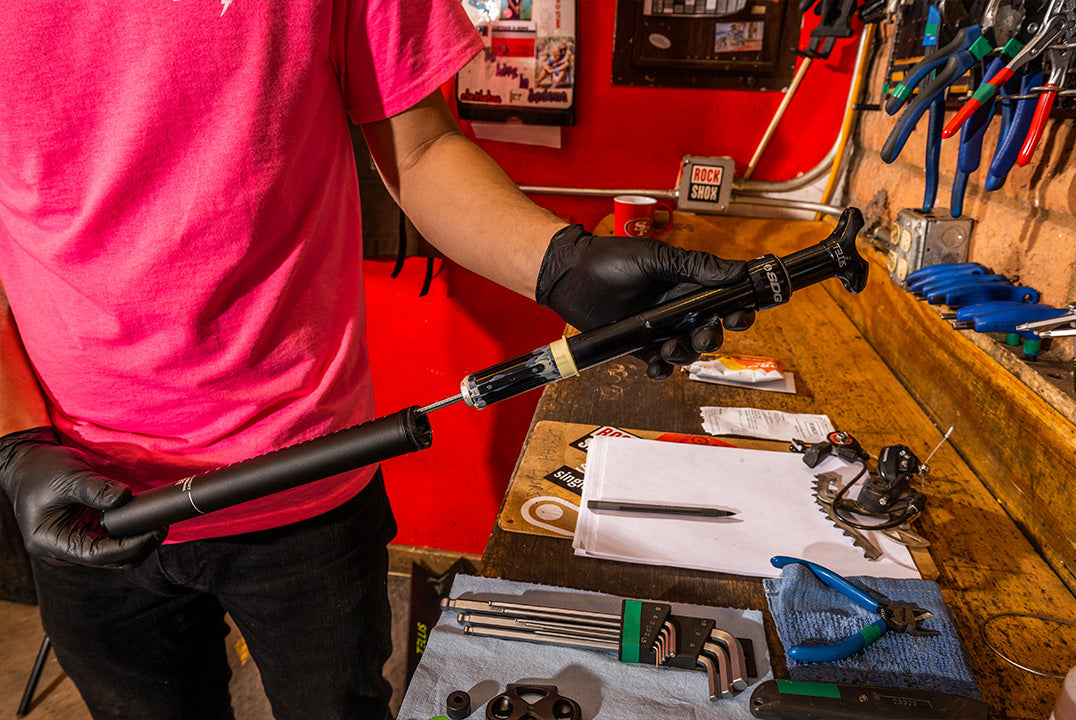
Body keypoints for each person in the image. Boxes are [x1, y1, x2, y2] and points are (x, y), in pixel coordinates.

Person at [0, 2, 751, 719]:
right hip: (83, 495)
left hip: (307, 482)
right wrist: (13, 443)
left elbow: (419, 148)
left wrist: (561, 264)